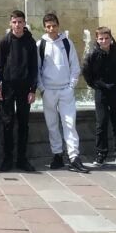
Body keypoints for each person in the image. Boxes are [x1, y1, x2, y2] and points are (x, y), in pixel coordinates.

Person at [36, 13, 88, 173]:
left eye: (54, 25)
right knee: (52, 125)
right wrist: (42, 88)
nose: (51, 29)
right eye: (48, 26)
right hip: (49, 91)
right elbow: (37, 69)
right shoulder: (40, 44)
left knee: (69, 123)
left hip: (65, 89)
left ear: (58, 25)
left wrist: (71, 86)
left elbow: (74, 65)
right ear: (45, 27)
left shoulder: (66, 42)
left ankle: (74, 157)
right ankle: (57, 155)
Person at [0, 10, 38, 172]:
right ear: (10, 23)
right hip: (8, 88)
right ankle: (7, 159)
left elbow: (34, 68)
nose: (17, 25)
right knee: (7, 123)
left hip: (25, 88)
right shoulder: (5, 41)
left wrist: (33, 90)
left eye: (20, 22)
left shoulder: (31, 42)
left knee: (24, 124)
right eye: (14, 22)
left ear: (24, 23)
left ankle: (22, 158)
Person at [82, 27, 116, 167]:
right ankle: (101, 155)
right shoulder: (93, 54)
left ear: (111, 38)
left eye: (106, 38)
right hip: (101, 92)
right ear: (97, 40)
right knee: (101, 123)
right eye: (101, 39)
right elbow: (86, 71)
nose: (104, 41)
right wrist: (96, 85)